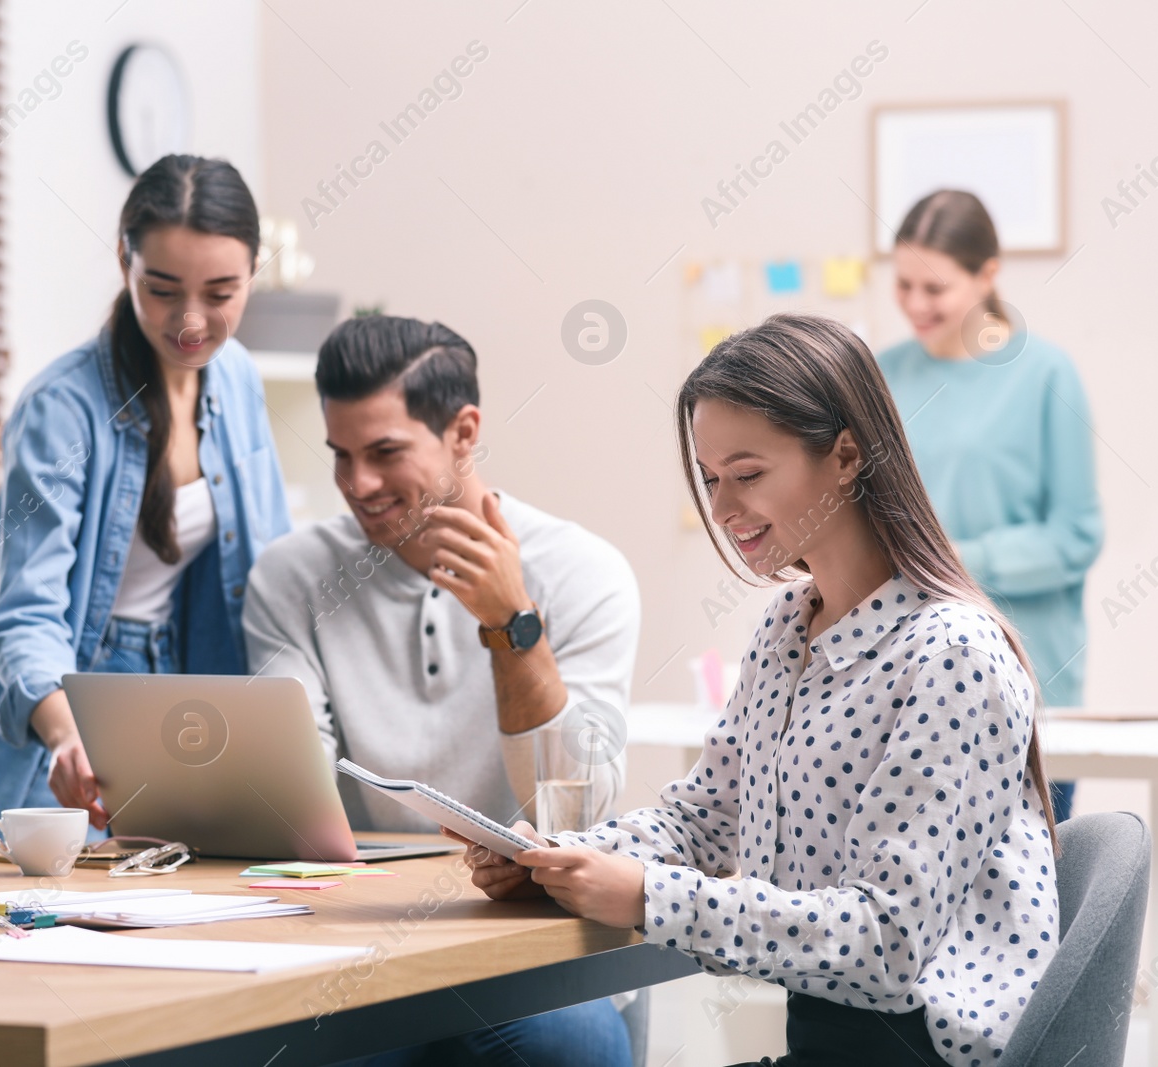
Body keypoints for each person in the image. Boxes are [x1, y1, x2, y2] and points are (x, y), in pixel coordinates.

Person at [457, 315, 1058, 1067]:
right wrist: (556, 858)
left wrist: (649, 895)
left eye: (747, 475)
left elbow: (888, 943)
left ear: (846, 455)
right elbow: (705, 818)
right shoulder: (787, 625)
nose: (723, 508)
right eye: (710, 479)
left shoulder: (951, 653)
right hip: (827, 1043)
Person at [244, 314, 640, 1065]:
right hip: (358, 943)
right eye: (341, 455)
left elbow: (579, 807)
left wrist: (511, 626)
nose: (358, 484)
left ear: (464, 431)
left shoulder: (585, 571)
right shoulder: (291, 576)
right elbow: (291, 791)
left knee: (573, 1045)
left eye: (385, 452)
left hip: (531, 943)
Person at [0, 155, 291, 852]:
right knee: (42, 948)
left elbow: (272, 567)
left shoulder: (239, 378)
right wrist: (70, 733)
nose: (192, 321)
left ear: (254, 271)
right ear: (124, 258)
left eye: (221, 293)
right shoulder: (63, 408)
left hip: (176, 697)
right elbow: (26, 613)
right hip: (59, 710)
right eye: (163, 289)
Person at [879, 189, 1103, 821]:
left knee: (1032, 903)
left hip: (1026, 680)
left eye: (936, 288)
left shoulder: (1045, 375)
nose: (916, 305)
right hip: (902, 679)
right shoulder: (877, 376)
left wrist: (947, 559)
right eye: (903, 285)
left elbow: (1075, 536)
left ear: (988, 274)